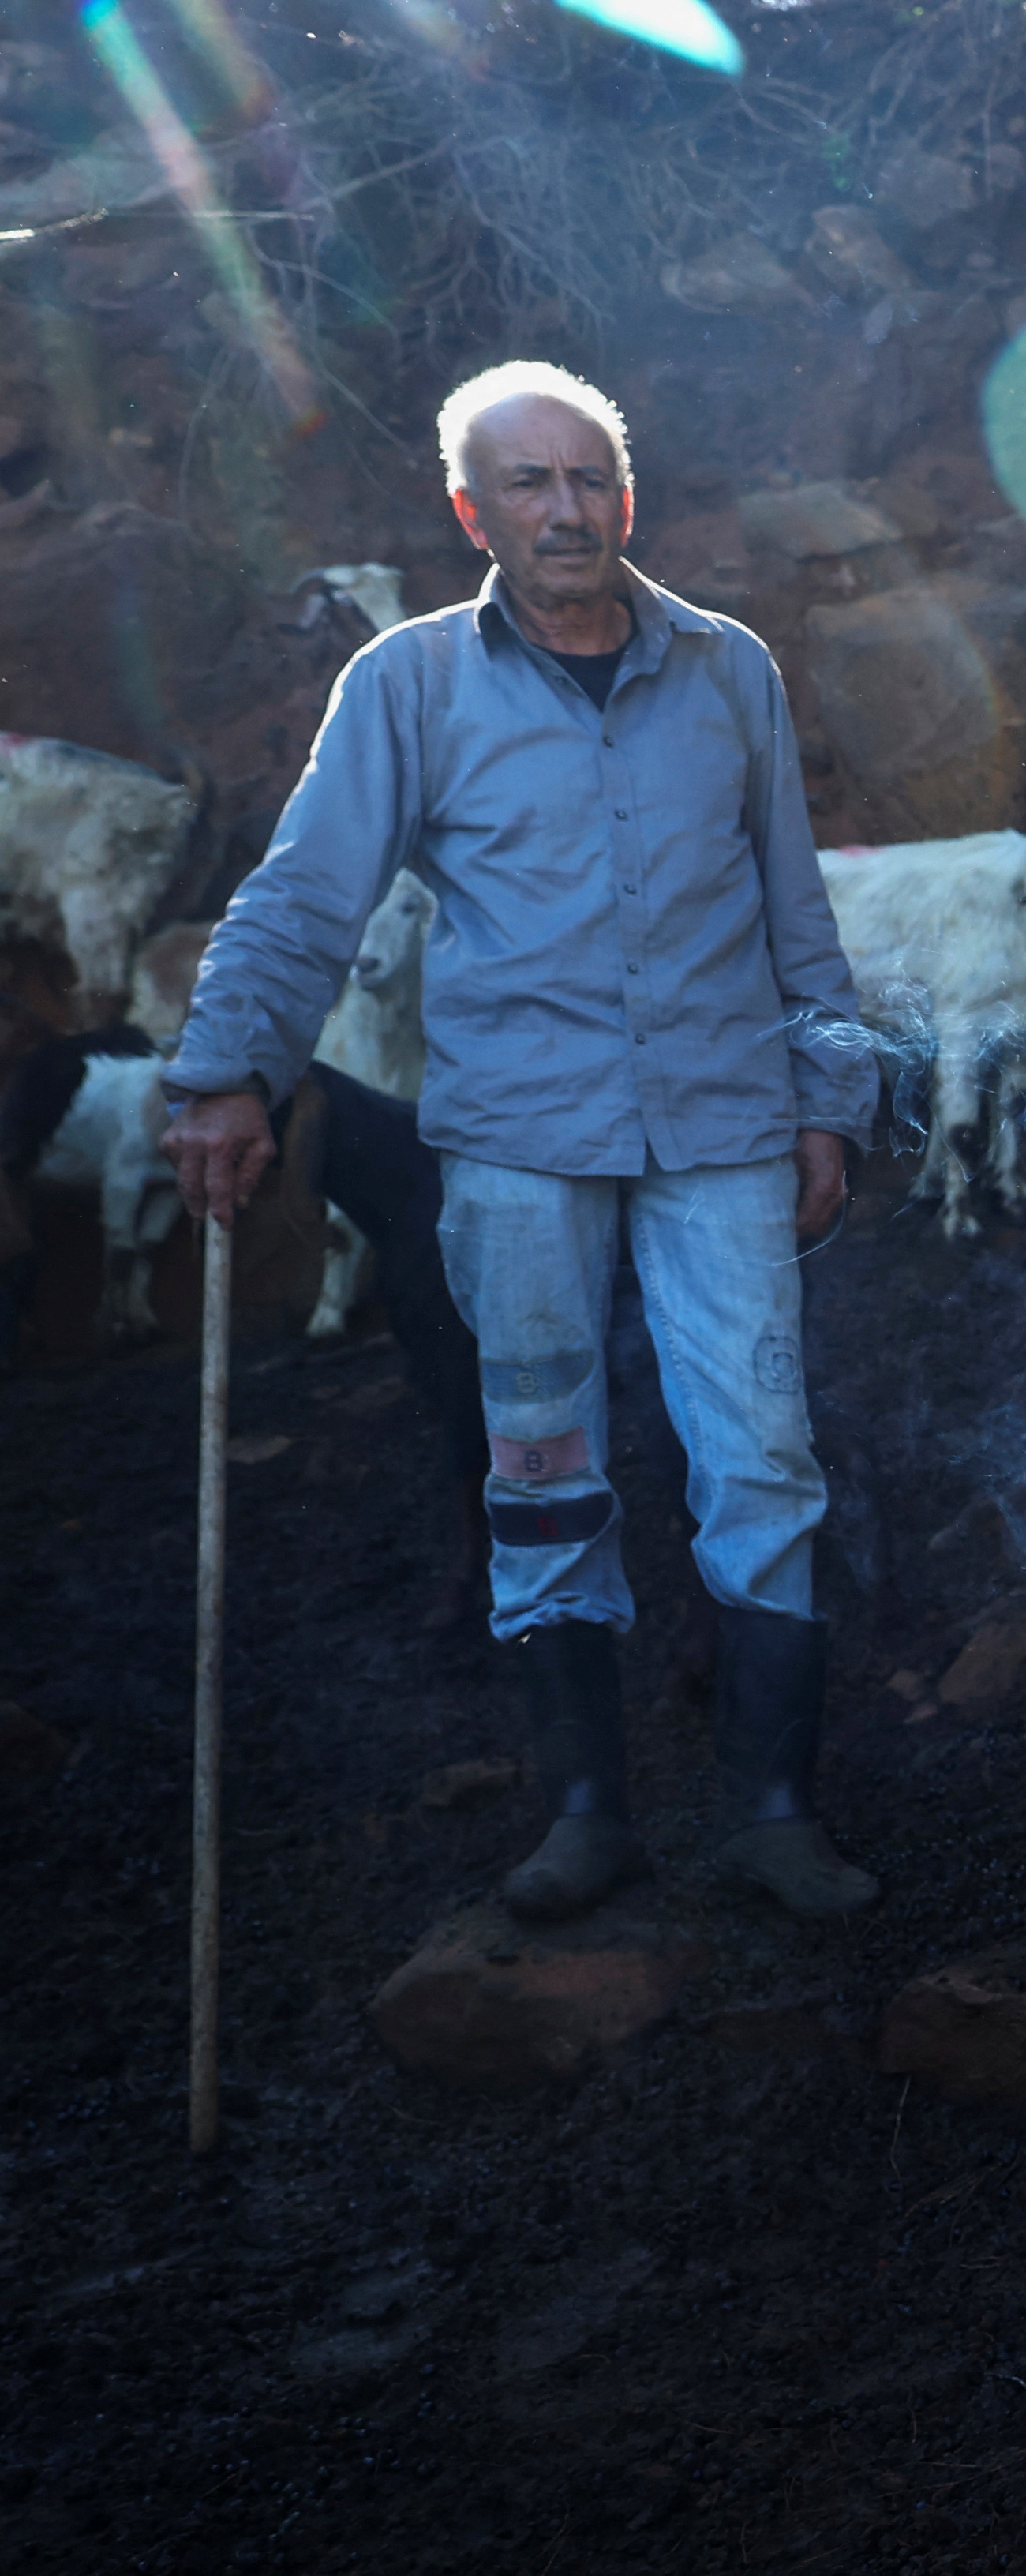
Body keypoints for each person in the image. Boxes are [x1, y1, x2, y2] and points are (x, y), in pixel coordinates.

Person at [160, 358, 878, 1922]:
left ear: (628, 496)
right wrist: (225, 1072)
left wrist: (832, 1099)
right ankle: (585, 1814)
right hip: (518, 1145)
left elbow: (798, 916)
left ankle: (773, 1814)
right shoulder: (409, 684)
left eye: (589, 478)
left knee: (763, 1460)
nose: (567, 509)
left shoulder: (730, 670)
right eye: (530, 483)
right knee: (543, 1468)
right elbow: (307, 896)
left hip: (724, 1129)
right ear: (470, 510)